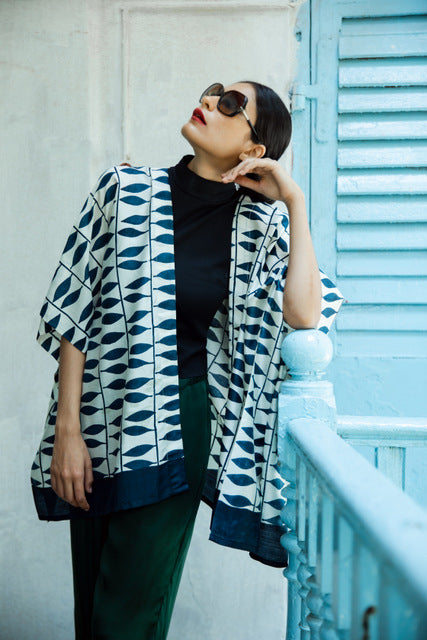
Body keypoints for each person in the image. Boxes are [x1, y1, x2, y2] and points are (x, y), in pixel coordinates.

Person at [30, 80, 344, 639]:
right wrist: (67, 431)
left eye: (231, 104)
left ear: (254, 149)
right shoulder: (124, 189)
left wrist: (293, 201)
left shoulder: (257, 224)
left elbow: (303, 313)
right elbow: (74, 308)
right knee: (94, 603)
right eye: (214, 91)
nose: (210, 102)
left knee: (129, 613)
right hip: (103, 412)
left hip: (178, 420)